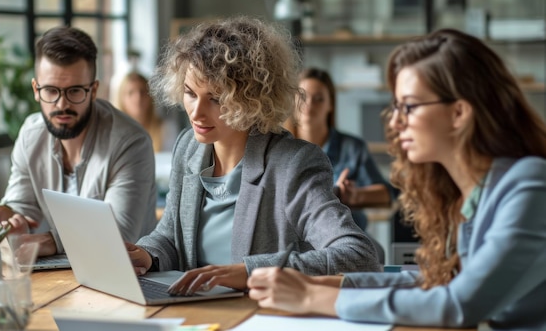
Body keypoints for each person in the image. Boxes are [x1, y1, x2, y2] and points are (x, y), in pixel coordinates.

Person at [247, 28, 546, 330]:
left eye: (410, 107)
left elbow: (458, 303)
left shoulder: (529, 185)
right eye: (396, 107)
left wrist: (311, 297)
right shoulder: (467, 192)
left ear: (459, 113)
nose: (394, 121)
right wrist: (335, 284)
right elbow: (436, 281)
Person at [126, 16, 381, 295]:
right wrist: (148, 254)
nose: (196, 113)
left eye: (216, 98)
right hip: (194, 316)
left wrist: (250, 272)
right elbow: (171, 236)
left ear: (251, 98)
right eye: (190, 93)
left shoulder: (292, 164)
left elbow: (359, 256)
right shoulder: (189, 147)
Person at [0, 26, 158, 256]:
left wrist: (52, 242)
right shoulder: (31, 134)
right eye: (51, 91)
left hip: (129, 274)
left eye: (74, 91)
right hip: (63, 274)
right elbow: (21, 204)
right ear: (36, 89)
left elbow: (119, 233)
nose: (61, 105)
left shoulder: (130, 142)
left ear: (93, 90)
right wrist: (5, 218)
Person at [286, 68, 396, 230]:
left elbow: (387, 194)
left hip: (345, 236)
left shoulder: (351, 148)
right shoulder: (281, 149)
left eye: (319, 99)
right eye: (302, 97)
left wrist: (355, 195)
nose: (309, 104)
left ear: (330, 105)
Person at [112, 71, 178, 153]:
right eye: (131, 92)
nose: (138, 98)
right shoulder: (113, 133)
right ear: (121, 99)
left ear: (150, 96)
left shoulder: (167, 129)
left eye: (142, 91)